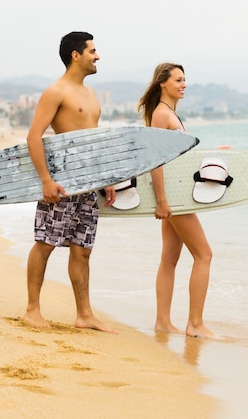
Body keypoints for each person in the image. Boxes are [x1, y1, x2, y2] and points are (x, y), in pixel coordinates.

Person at [22, 31, 117, 333]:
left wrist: (106, 178)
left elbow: (94, 140)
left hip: (89, 184)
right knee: (46, 242)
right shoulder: (56, 91)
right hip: (62, 182)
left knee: (82, 249)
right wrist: (46, 180)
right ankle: (32, 309)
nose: (97, 56)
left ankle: (84, 314)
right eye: (92, 51)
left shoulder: (90, 94)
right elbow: (34, 136)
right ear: (76, 55)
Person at [138, 63, 217, 338]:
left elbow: (177, 159)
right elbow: (155, 160)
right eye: (178, 80)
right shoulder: (161, 114)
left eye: (185, 80)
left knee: (169, 259)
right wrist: (162, 201)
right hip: (174, 199)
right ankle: (195, 324)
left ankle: (162, 322)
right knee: (204, 255)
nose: (183, 84)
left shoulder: (168, 113)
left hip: (175, 196)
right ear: (163, 83)